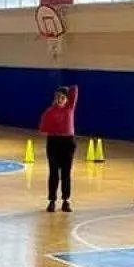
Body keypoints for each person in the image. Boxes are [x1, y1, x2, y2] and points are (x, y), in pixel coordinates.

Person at [38, 85, 79, 213]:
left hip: (68, 143)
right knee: (54, 173)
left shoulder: (70, 108)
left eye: (62, 97)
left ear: (67, 99)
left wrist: (64, 90)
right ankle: (52, 201)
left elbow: (74, 89)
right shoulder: (49, 111)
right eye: (57, 97)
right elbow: (42, 128)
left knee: (66, 173)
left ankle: (66, 200)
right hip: (54, 143)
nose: (60, 100)